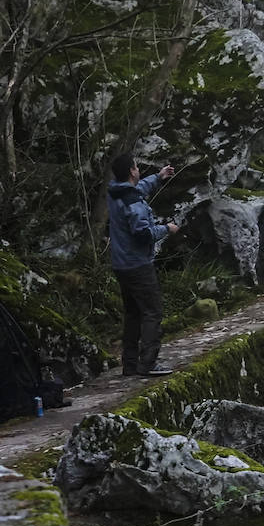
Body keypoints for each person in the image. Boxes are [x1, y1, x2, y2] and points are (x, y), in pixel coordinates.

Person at [107, 153, 178, 376]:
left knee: (133, 314)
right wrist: (167, 229)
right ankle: (148, 363)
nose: (138, 170)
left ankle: (130, 364)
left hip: (121, 265)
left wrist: (158, 177)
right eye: (137, 167)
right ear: (131, 171)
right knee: (152, 312)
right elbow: (143, 234)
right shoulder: (132, 203)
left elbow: (136, 190)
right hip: (137, 265)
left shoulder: (115, 190)